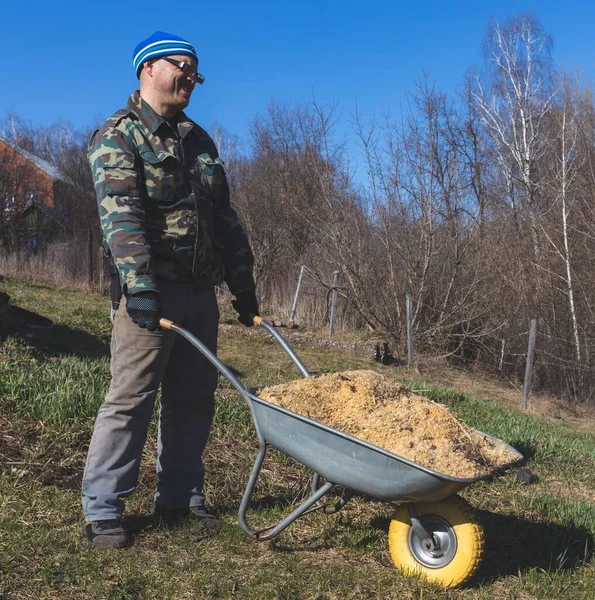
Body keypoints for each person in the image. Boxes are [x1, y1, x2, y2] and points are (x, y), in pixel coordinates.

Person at [82, 31, 258, 549]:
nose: (190, 78)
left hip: (200, 295)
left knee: (193, 397)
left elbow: (224, 219)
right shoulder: (119, 134)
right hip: (150, 297)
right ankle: (104, 509)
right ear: (147, 69)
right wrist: (139, 287)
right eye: (181, 65)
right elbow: (121, 217)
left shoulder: (200, 141)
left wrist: (242, 286)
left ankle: (179, 496)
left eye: (196, 71)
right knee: (131, 397)